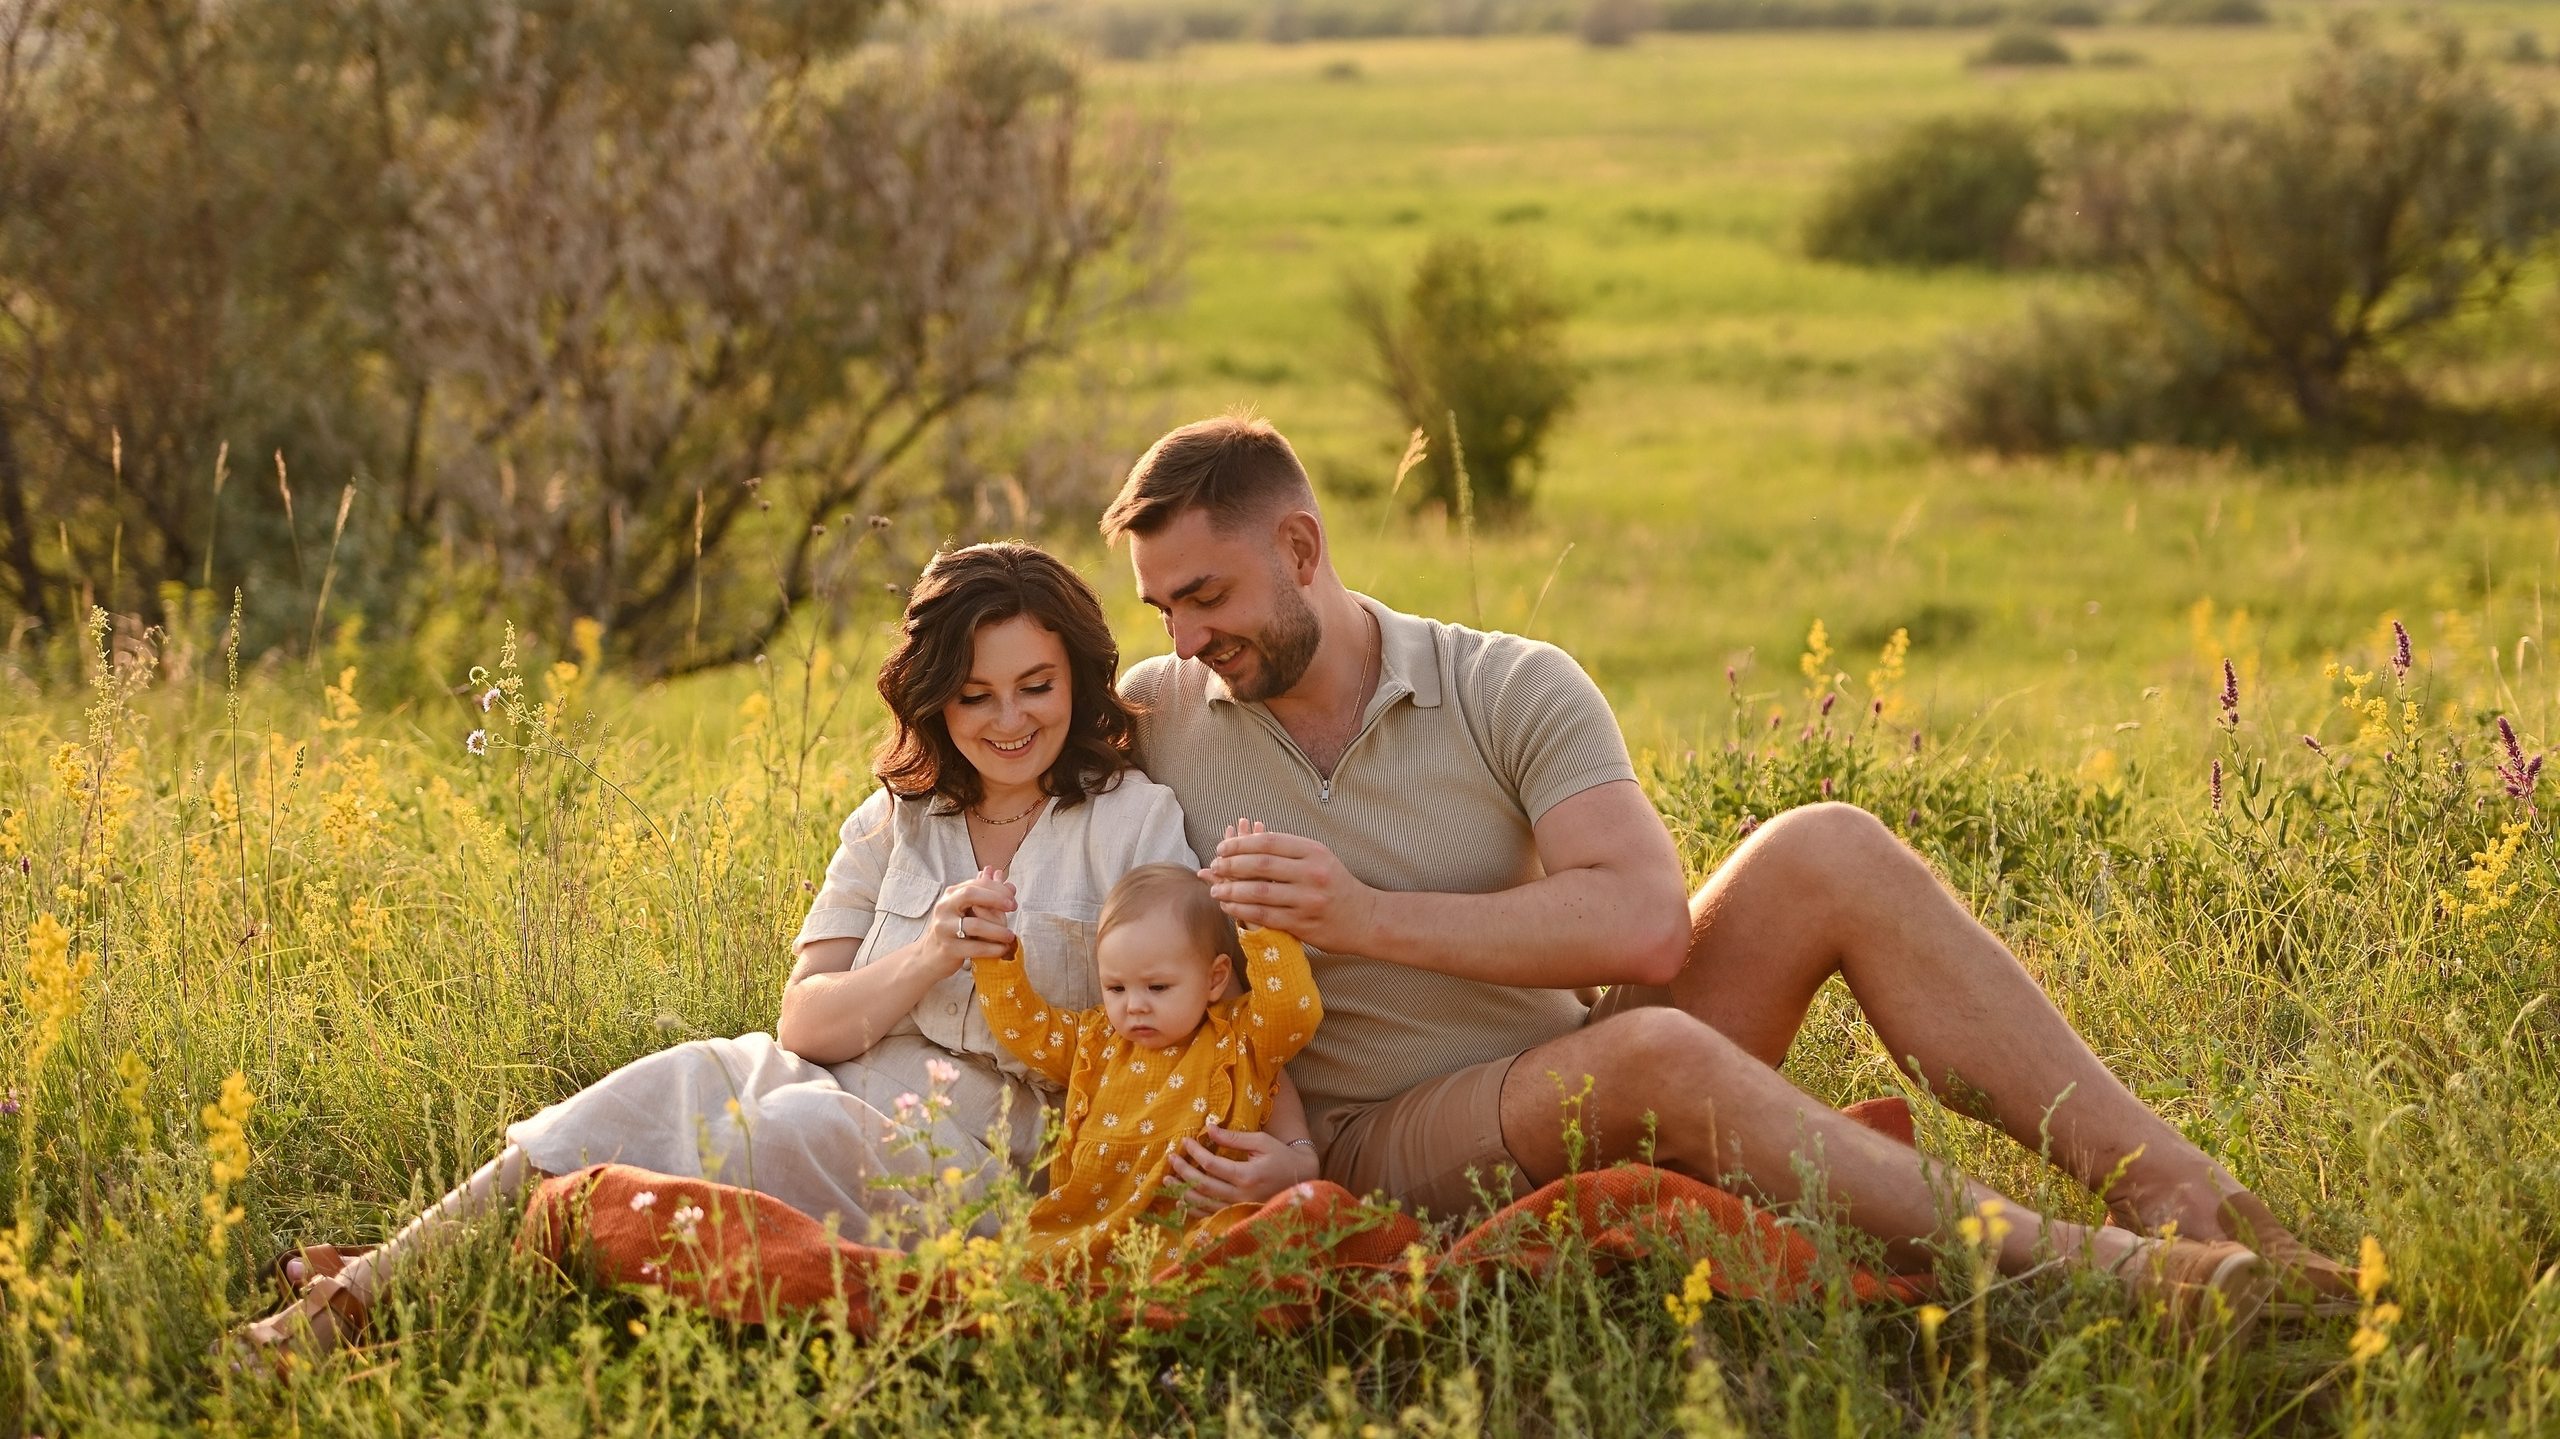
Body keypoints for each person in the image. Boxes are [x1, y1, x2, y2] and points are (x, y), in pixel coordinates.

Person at [1113, 414, 2345, 1336]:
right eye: (1161, 608)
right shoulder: (1155, 718)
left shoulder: (1502, 683)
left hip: (1564, 1070)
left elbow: (1646, 925)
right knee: (1646, 1056)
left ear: (1301, 547)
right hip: (1362, 1137)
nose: (1185, 637)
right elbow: (1010, 776)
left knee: (1826, 845)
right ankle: (2098, 1273)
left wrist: (1364, 916)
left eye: (1205, 596)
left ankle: (2189, 1199)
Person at [242, 542, 1214, 1357]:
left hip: (987, 1149)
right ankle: (368, 1290)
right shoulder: (897, 818)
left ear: (1076, 676)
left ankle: (434, 1285)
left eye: (1036, 687)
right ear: (935, 702)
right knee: (684, 1074)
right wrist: (928, 953)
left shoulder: (1131, 823)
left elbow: (1177, 1023)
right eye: (975, 696)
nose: (1010, 721)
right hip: (835, 1078)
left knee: (782, 1128)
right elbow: (806, 1020)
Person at [971, 853, 1321, 1259]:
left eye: (1157, 987)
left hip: (1197, 1225)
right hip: (1091, 1231)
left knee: (1261, 1243)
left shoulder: (1241, 1035)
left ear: (1215, 978)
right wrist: (993, 950)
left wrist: (1259, 925)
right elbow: (1024, 1029)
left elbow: (1294, 1011)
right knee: (1018, 1263)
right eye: (1116, 988)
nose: (1134, 1006)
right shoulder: (1094, 1040)